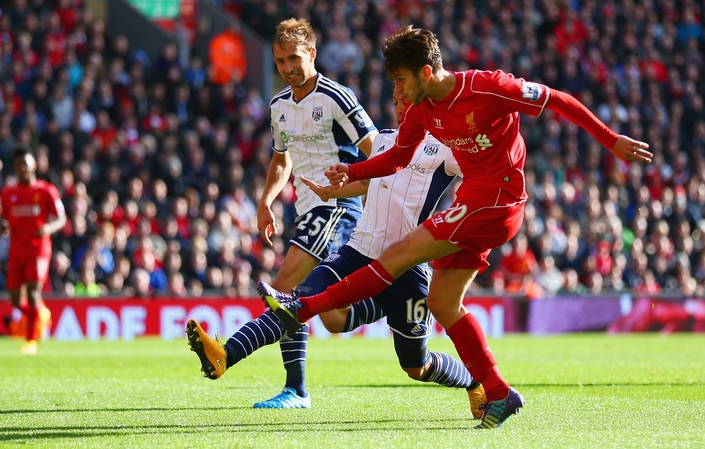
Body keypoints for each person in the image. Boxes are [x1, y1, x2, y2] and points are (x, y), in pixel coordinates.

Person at [259, 25, 652, 428]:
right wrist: (352, 171)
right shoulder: (423, 111)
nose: (396, 89)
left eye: (400, 79)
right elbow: (396, 159)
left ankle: (302, 307)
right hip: (473, 203)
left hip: (499, 200)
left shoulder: (489, 87)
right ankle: (499, 392)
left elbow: (558, 100)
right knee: (442, 303)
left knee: (398, 255)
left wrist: (610, 139)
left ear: (425, 73)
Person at [187, 93, 488, 418]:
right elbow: (366, 184)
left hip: (406, 268)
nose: (400, 106)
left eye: (407, 99)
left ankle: (475, 382)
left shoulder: (443, 147)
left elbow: (480, 167)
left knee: (416, 365)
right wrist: (331, 190)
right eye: (397, 99)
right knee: (296, 301)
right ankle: (225, 354)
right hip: (358, 252)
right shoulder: (385, 140)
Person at [187, 18, 379, 409]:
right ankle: (394, 300)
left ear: (311, 54)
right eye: (279, 61)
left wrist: (355, 186)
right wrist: (265, 200)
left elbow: (376, 150)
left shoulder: (337, 97)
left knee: (285, 289)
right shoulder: (278, 106)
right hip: (306, 211)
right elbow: (281, 159)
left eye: (294, 58)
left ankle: (235, 358)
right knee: (332, 316)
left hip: (338, 208)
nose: (288, 68)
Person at [0, 147, 66, 354]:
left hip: (39, 249)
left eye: (26, 165)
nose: (23, 169)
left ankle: (31, 341)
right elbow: (4, 221)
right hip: (16, 250)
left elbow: (62, 219)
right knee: (16, 299)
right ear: (15, 168)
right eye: (19, 166)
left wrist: (48, 228)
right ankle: (39, 315)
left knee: (34, 292)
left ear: (34, 165)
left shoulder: (46, 191)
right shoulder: (8, 194)